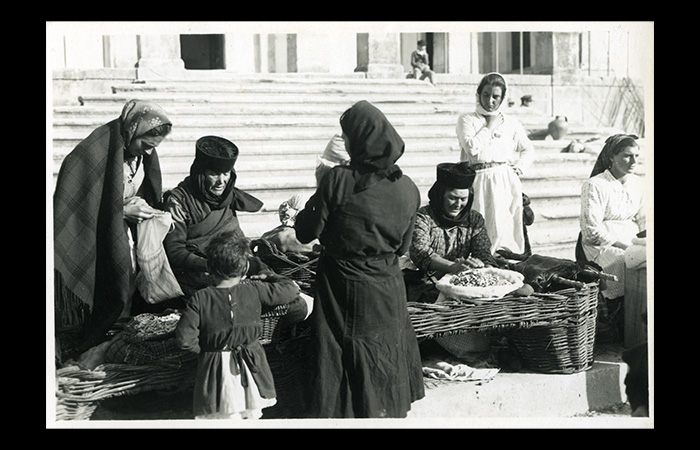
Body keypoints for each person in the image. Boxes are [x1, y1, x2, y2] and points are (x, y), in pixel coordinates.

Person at [294, 100, 425, 418]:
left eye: (347, 136)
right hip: (387, 284)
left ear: (359, 140)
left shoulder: (338, 179)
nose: (346, 143)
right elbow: (403, 247)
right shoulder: (408, 187)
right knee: (382, 350)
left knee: (342, 353)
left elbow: (305, 233)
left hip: (343, 283)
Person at [54, 99, 172, 361]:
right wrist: (121, 210)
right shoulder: (91, 153)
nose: (149, 153)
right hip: (93, 236)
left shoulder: (143, 152)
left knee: (127, 284)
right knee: (106, 286)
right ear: (132, 130)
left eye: (154, 147)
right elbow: (81, 203)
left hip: (122, 233)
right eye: (145, 144)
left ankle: (114, 341)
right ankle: (90, 343)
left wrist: (141, 204)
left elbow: (141, 188)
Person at [175, 232, 301, 420]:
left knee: (221, 417)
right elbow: (290, 288)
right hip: (251, 366)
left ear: (209, 267)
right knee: (250, 415)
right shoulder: (255, 289)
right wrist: (269, 276)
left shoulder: (200, 298)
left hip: (215, 369)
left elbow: (184, 339)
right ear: (244, 269)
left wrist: (208, 351)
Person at [160, 135, 270, 302]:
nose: (221, 181)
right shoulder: (178, 201)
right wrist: (213, 266)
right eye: (213, 174)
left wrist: (258, 268)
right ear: (200, 173)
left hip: (232, 269)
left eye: (225, 173)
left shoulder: (228, 196)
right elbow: (175, 253)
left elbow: (237, 241)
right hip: (197, 276)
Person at [456, 72, 535, 256]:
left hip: (504, 180)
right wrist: (490, 127)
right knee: (479, 225)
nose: (490, 101)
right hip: (477, 180)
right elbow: (471, 148)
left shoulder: (511, 123)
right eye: (486, 95)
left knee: (502, 228)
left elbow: (528, 149)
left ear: (502, 97)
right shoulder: (467, 119)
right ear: (478, 94)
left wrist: (519, 167)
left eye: (495, 96)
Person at [579, 134, 645, 338]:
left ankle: (640, 322)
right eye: (627, 156)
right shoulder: (595, 185)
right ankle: (622, 322)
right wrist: (625, 247)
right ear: (611, 158)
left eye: (636, 156)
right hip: (602, 244)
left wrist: (643, 242)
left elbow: (643, 219)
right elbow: (591, 230)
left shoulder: (638, 183)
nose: (633, 162)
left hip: (632, 238)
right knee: (622, 261)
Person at [406, 162, 498, 303]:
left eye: (463, 199)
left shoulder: (474, 219)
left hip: (460, 282)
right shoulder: (423, 217)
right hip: (424, 281)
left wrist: (485, 267)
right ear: (440, 195)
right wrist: (453, 267)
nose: (458, 204)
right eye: (453, 198)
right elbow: (420, 252)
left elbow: (483, 252)